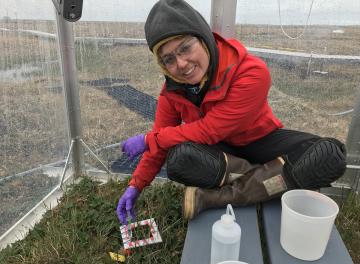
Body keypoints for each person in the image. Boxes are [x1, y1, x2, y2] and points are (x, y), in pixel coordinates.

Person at [116, 0, 347, 224]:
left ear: (204, 39)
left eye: (185, 48)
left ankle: (215, 198)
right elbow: (161, 144)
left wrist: (148, 139)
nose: (182, 64)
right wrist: (135, 186)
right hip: (223, 155)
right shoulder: (172, 91)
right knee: (178, 159)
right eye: (169, 59)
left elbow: (210, 130)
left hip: (261, 141)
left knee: (330, 154)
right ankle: (269, 176)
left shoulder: (252, 72)